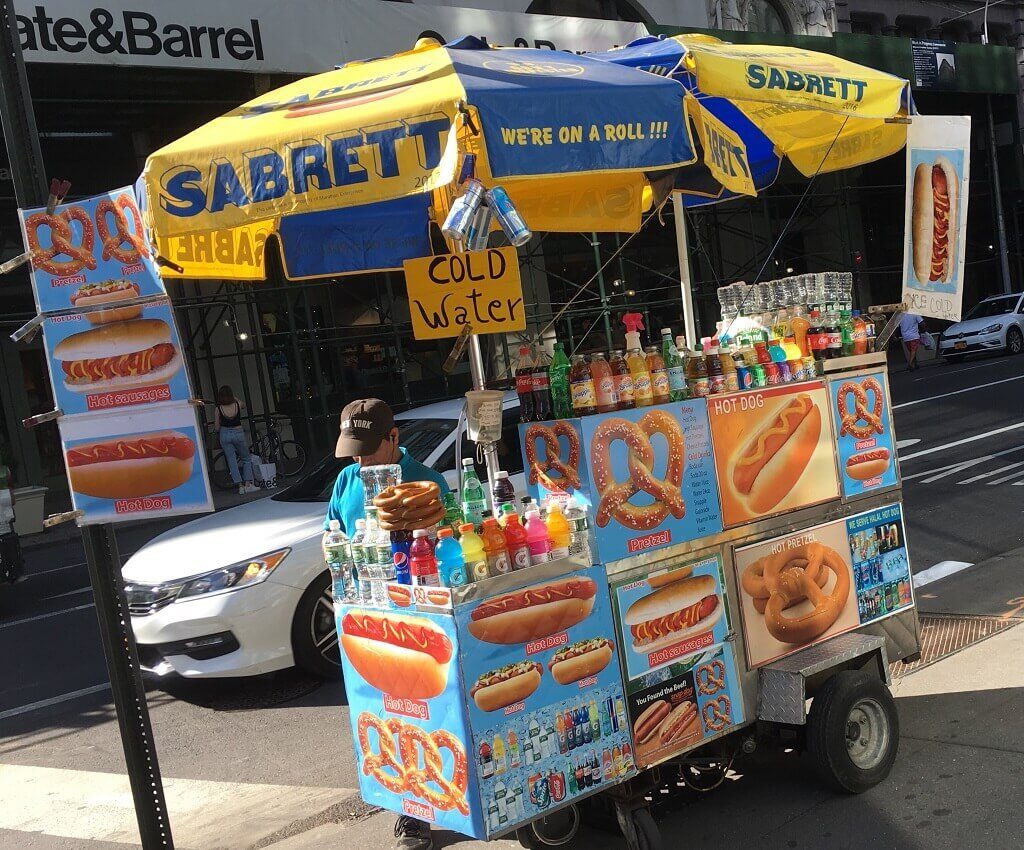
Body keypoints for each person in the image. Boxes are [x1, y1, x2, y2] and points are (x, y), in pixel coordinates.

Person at [323, 398, 448, 850]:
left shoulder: (427, 483)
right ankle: (406, 805)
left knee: (424, 713)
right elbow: (332, 531)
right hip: (368, 619)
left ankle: (423, 813)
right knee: (384, 717)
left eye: (368, 450)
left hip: (418, 618)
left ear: (394, 438)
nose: (360, 460)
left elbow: (449, 550)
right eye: (353, 450)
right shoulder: (347, 480)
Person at [215, 386, 257, 495]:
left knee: (231, 461)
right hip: (238, 433)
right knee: (246, 458)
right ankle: (248, 484)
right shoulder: (237, 405)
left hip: (224, 434)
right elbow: (243, 404)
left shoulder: (218, 409)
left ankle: (240, 486)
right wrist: (233, 397)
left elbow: (217, 427)